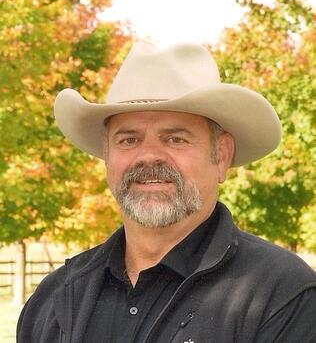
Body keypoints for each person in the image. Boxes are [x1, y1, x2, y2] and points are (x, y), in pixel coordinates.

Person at [17, 42, 316, 343]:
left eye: (175, 139)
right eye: (129, 140)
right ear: (107, 155)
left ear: (221, 155)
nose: (149, 156)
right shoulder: (53, 300)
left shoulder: (281, 295)